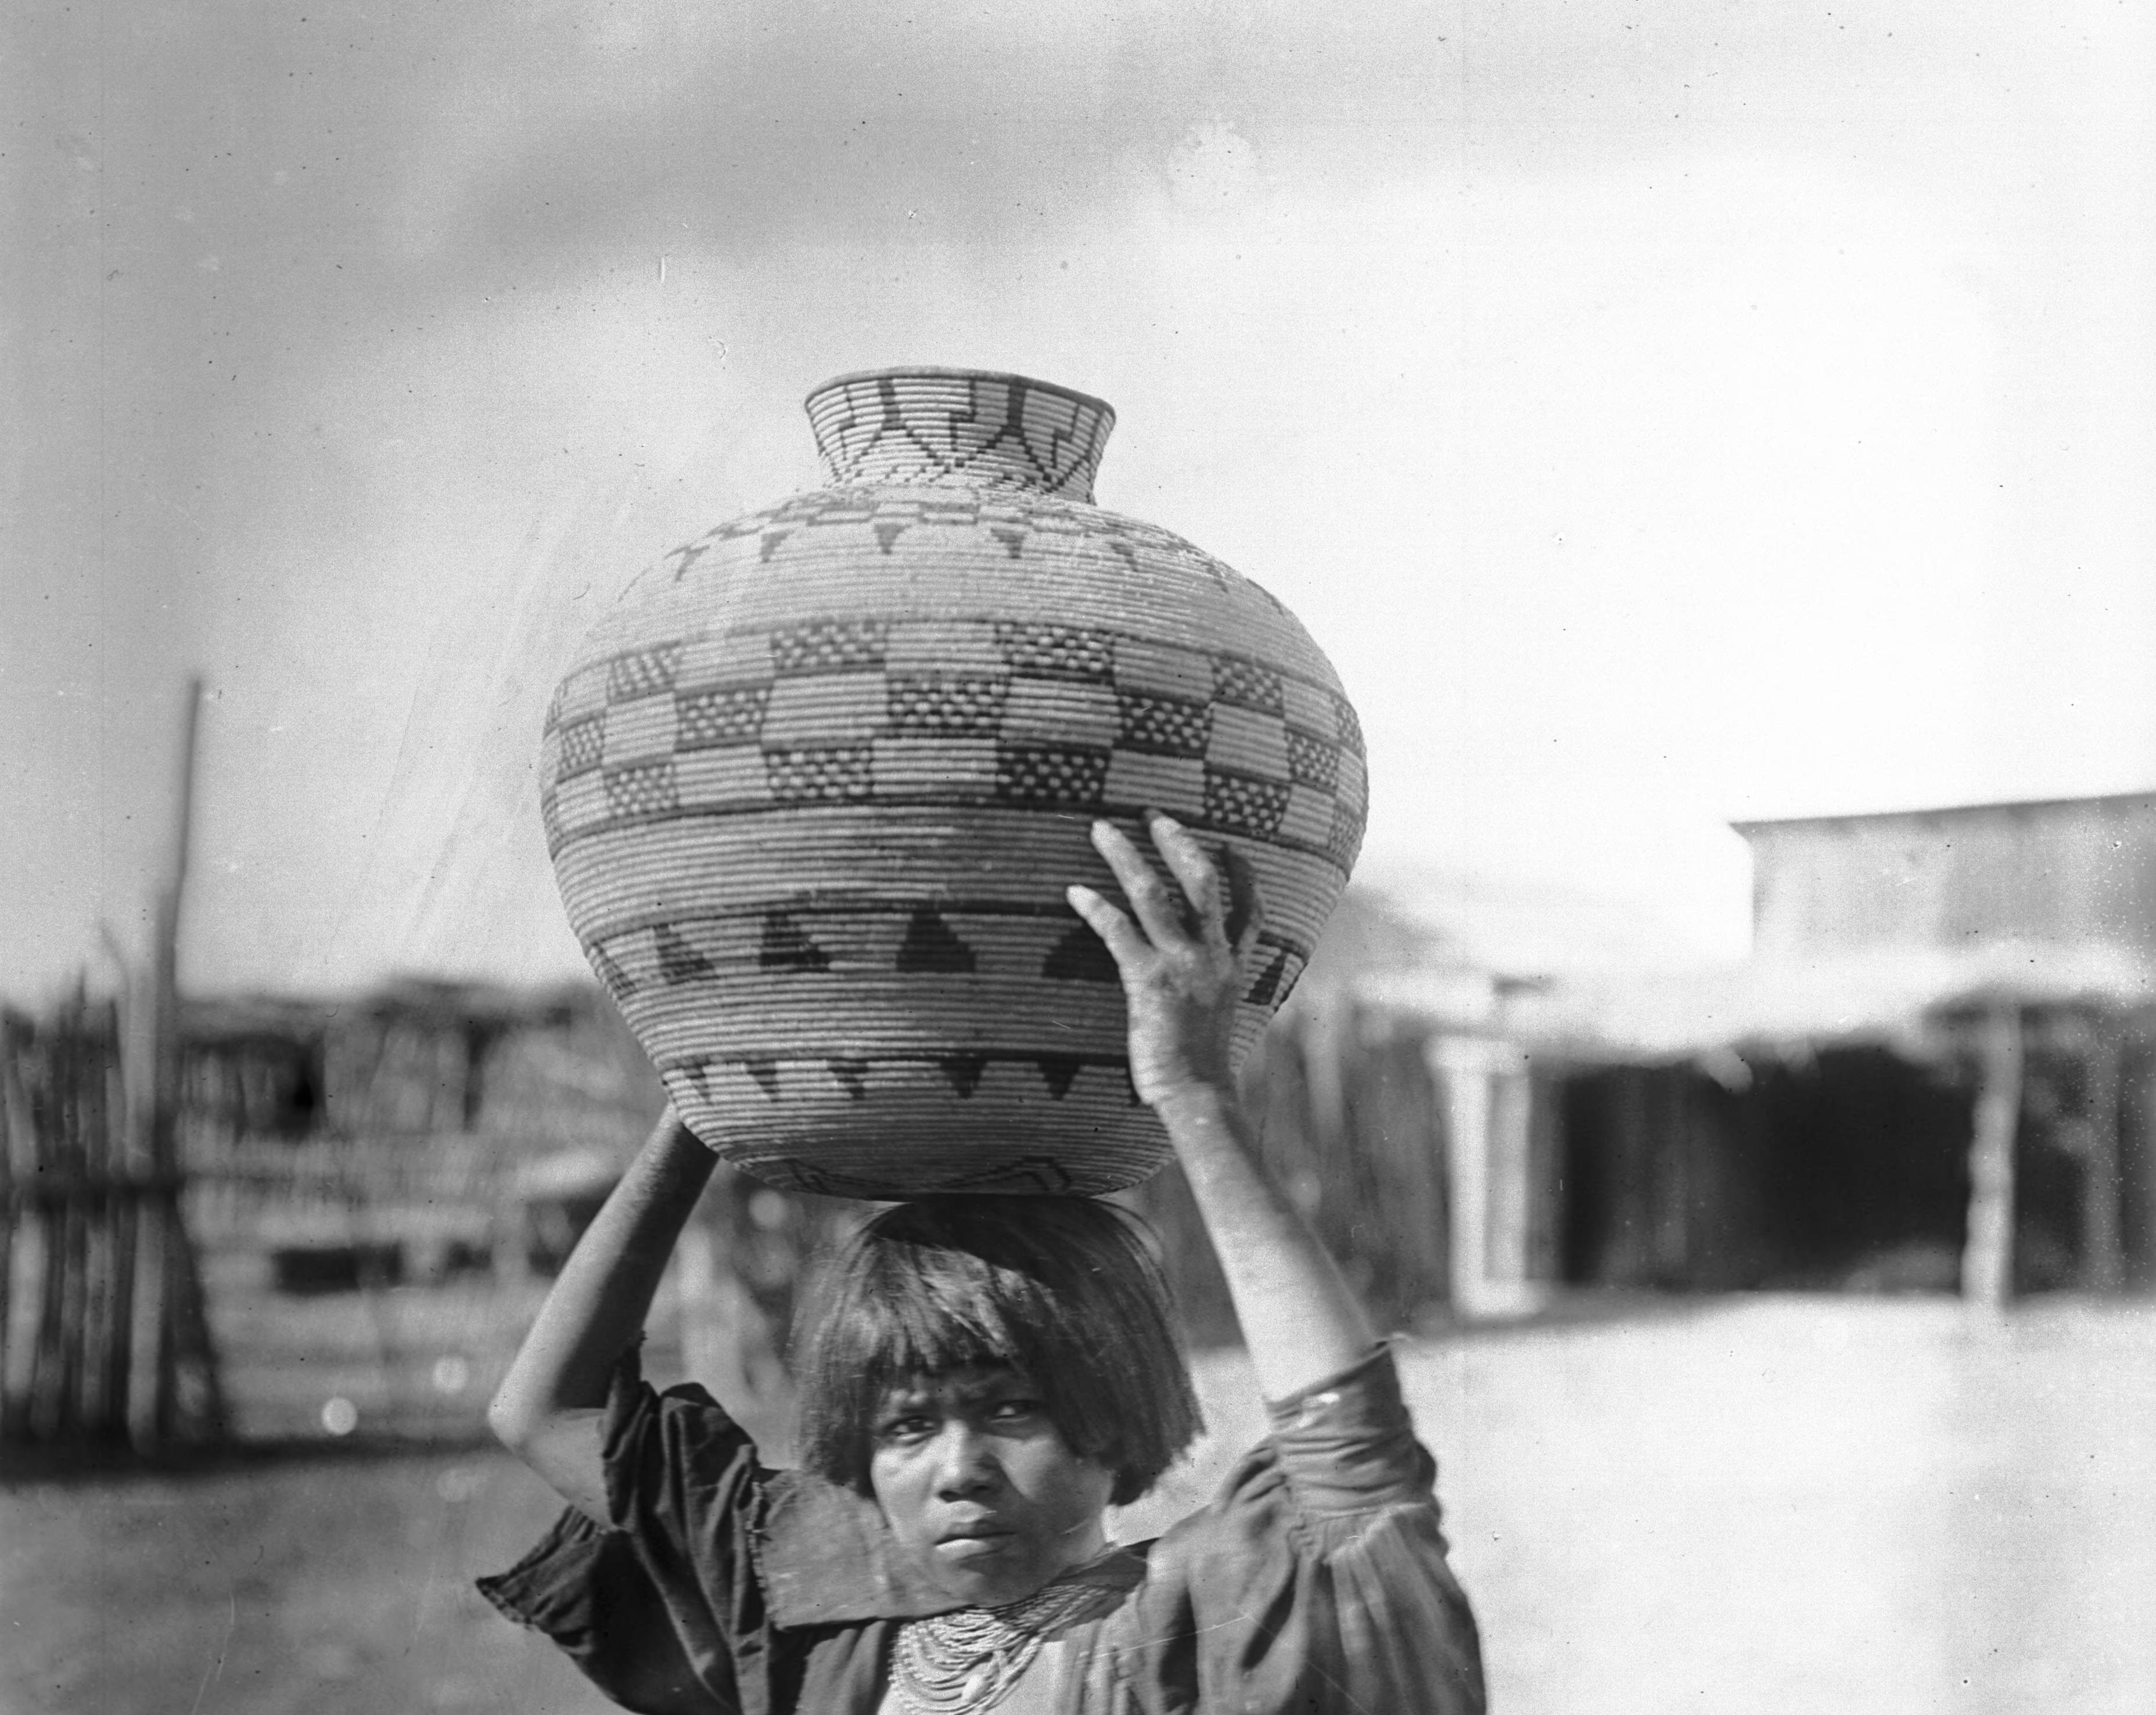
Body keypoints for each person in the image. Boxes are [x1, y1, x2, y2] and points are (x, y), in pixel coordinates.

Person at [480, 813, 1486, 1713]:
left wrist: (1192, 1094)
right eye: (908, 1426)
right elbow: (544, 1413)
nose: (959, 1470)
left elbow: (1355, 1484)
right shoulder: (817, 1609)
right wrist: (706, 1099)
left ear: (1115, 1414)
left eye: (1013, 1408)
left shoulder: (1177, 1629)